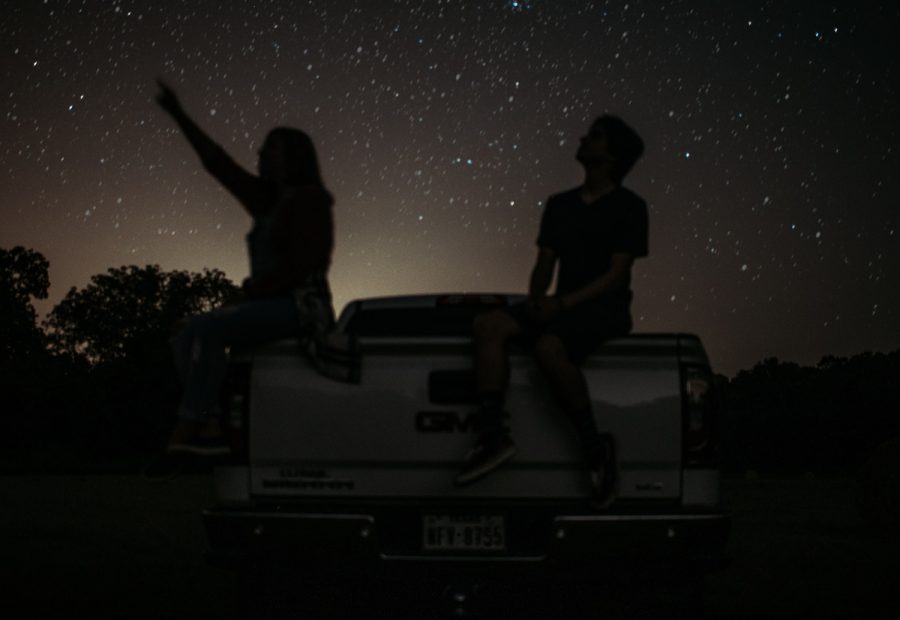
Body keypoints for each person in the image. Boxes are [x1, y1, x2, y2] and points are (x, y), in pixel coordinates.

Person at [454, 115, 648, 509]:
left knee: (548, 348)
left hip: (604, 308)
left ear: (611, 154)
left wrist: (561, 304)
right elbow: (545, 262)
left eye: (595, 136)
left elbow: (617, 274)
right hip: (561, 305)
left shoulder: (630, 207)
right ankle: (492, 437)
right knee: (488, 326)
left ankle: (595, 451)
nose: (583, 138)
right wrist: (536, 299)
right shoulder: (560, 205)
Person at [155, 79, 335, 455]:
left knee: (209, 327)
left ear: (291, 157)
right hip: (268, 305)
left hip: (301, 308)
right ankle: (211, 423)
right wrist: (179, 116)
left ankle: (190, 424)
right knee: (185, 333)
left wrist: (247, 294)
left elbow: (304, 265)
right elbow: (218, 164)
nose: (260, 152)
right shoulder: (267, 201)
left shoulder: (311, 200)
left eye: (271, 147)